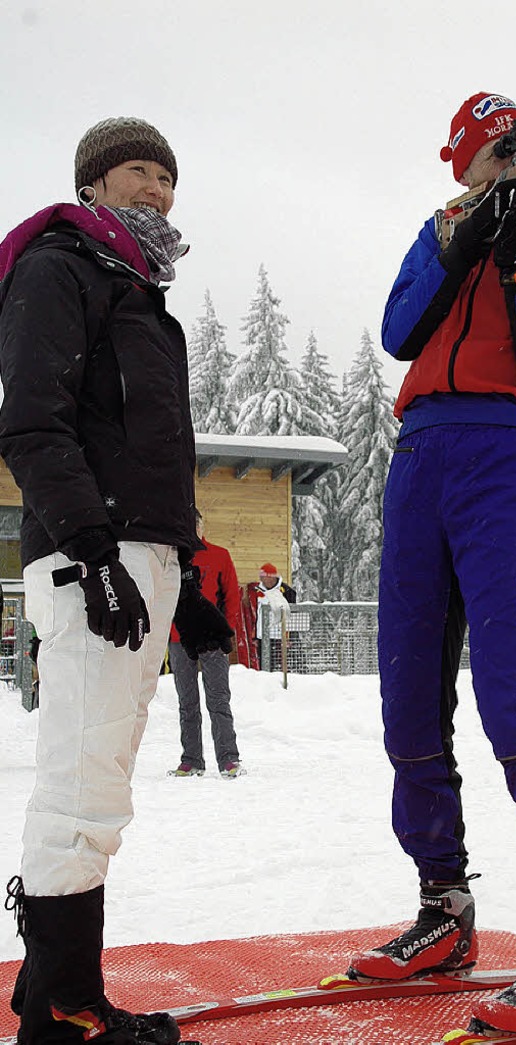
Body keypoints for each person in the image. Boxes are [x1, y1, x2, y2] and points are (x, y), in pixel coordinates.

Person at [346, 93, 516, 1036]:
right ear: (463, 167)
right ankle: (444, 904)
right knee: (408, 693)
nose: (505, 164)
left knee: (510, 698)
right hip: (420, 453)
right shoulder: (440, 230)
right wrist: (464, 247)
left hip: (508, 448)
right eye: (488, 155)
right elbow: (399, 331)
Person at [0, 116, 234, 1045]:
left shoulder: (139, 291)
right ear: (94, 181)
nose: (159, 189)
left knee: (101, 784)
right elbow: (33, 424)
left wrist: (191, 584)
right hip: (90, 560)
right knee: (79, 782)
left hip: (144, 560)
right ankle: (60, 1006)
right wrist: (93, 554)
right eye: (140, 170)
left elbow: (149, 456)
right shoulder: (59, 269)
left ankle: (63, 996)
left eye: (169, 177)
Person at [168, 510, 246, 779]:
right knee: (187, 702)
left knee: (218, 699)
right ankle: (191, 760)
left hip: (211, 639)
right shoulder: (170, 560)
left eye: (195, 526)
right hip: (179, 639)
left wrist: (225, 629)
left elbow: (232, 595)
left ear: (202, 527)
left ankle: (228, 759)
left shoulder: (219, 555)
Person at [238, 564, 296, 670]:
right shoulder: (256, 591)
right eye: (262, 577)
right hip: (261, 636)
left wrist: (289, 637)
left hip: (278, 636)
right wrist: (254, 636)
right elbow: (254, 615)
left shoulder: (286, 591)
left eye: (267, 577)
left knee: (277, 668)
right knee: (262, 667)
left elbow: (291, 616)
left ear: (273, 577)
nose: (264, 580)